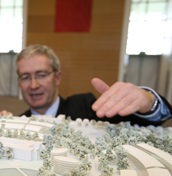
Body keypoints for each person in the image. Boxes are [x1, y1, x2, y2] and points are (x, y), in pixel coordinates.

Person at [16, 44, 172, 126]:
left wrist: (148, 102)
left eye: (41, 75)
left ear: (57, 78)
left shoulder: (86, 107)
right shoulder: (18, 122)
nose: (33, 85)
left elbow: (153, 120)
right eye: (25, 77)